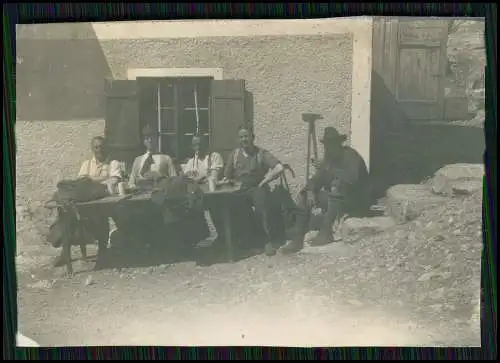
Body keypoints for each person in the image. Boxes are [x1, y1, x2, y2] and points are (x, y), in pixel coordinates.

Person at [279, 126, 370, 254]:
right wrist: (310, 191)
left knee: (339, 185)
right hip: (338, 200)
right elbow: (316, 180)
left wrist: (327, 168)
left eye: (331, 145)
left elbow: (352, 179)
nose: (328, 148)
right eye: (327, 145)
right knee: (306, 194)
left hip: (357, 201)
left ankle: (326, 232)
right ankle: (297, 239)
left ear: (339, 143)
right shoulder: (329, 160)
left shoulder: (350, 155)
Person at [222, 125, 285, 256]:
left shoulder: (261, 153)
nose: (244, 139)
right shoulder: (234, 155)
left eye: (246, 136)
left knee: (261, 208)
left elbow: (279, 167)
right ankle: (246, 241)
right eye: (241, 137)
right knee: (236, 207)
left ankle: (267, 241)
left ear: (252, 137)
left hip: (257, 187)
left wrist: (266, 180)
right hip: (239, 190)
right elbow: (226, 177)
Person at [128, 124, 177, 190]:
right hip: (140, 194)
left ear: (157, 139)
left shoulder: (166, 158)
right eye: (147, 138)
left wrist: (160, 177)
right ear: (143, 141)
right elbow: (131, 182)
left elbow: (174, 181)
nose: (150, 140)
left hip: (158, 193)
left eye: (152, 137)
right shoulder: (138, 160)